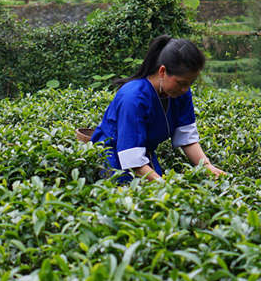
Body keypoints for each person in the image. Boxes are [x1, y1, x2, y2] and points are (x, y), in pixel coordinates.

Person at [91, 35, 226, 183]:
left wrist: (207, 167)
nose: (185, 89)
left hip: (144, 158)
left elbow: (186, 138)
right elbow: (132, 158)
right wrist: (165, 185)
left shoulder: (181, 93)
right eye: (181, 83)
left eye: (190, 83)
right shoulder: (133, 97)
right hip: (112, 159)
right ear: (162, 71)